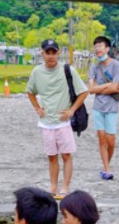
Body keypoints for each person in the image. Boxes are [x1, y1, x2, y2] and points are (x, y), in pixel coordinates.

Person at [26, 39, 88, 200]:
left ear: (59, 53)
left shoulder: (68, 70)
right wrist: (37, 108)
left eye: (54, 52)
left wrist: (72, 110)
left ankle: (65, 187)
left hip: (63, 121)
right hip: (46, 122)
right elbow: (30, 91)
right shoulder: (37, 72)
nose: (51, 56)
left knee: (66, 155)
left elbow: (83, 92)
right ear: (42, 53)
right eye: (48, 52)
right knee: (51, 156)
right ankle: (53, 186)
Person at [87, 36, 119, 181]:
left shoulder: (116, 65)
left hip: (112, 107)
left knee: (111, 141)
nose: (97, 49)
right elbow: (90, 89)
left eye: (100, 46)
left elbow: (115, 87)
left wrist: (98, 88)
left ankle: (106, 165)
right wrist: (108, 86)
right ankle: (106, 168)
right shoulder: (94, 67)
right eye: (95, 46)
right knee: (102, 139)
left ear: (107, 49)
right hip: (98, 107)